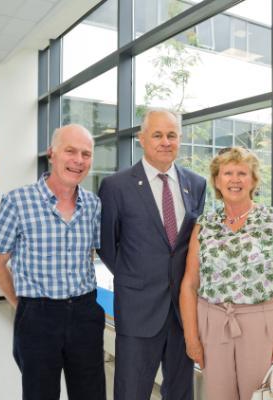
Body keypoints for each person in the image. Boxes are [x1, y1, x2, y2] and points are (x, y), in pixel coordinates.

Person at [0, 124, 106, 400]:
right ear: (52, 154)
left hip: (85, 313)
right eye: (70, 151)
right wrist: (22, 305)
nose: (78, 160)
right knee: (40, 394)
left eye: (86, 154)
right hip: (38, 317)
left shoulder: (93, 205)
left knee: (91, 393)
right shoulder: (18, 201)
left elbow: (94, 252)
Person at [98, 109, 207, 400]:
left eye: (171, 135)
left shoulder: (196, 184)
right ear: (141, 139)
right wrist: (134, 277)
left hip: (182, 312)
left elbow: (193, 246)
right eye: (157, 135)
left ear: (180, 139)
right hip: (138, 309)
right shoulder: (116, 186)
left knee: (181, 392)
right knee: (132, 391)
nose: (165, 141)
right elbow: (107, 245)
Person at [179, 147, 273, 400]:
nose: (235, 179)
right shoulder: (204, 223)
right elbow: (190, 283)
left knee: (260, 394)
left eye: (242, 173)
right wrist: (191, 336)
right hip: (213, 323)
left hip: (263, 324)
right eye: (228, 173)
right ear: (217, 181)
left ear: (253, 180)